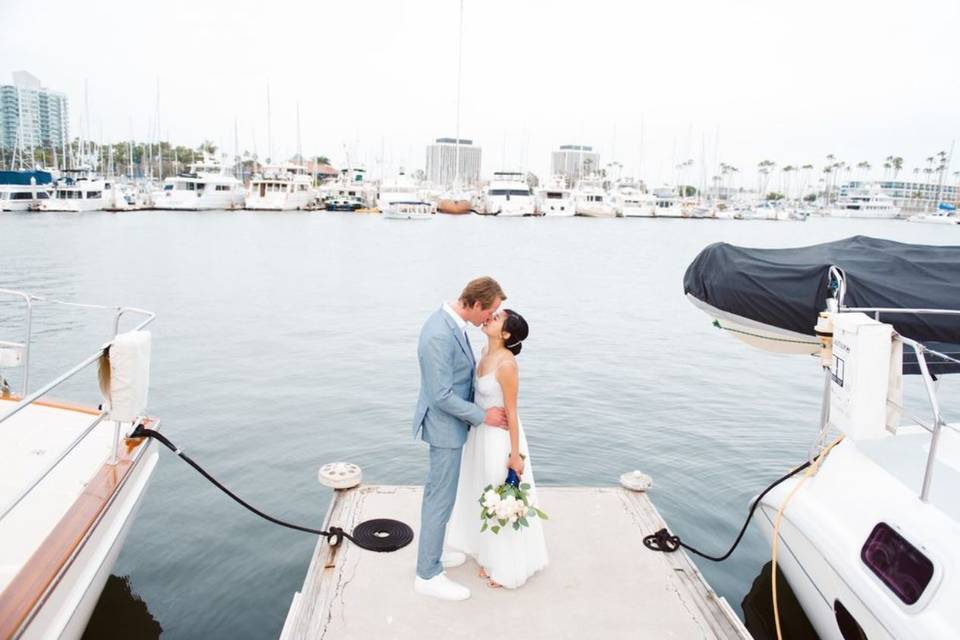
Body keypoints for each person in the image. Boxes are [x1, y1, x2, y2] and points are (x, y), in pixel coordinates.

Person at [412, 276, 509, 601]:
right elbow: (440, 395)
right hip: (443, 427)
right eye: (491, 311)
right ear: (477, 304)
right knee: (439, 499)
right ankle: (427, 575)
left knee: (443, 496)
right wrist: (483, 416)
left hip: (451, 426)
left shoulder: (453, 323)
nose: (491, 318)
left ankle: (434, 553)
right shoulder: (439, 333)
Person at [446, 309, 548, 589]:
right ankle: (488, 553)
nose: (490, 317)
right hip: (480, 434)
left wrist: (515, 456)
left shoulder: (507, 365)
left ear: (505, 334)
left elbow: (512, 413)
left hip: (499, 438)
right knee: (481, 490)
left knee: (499, 495)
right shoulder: (483, 352)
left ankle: (507, 567)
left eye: (498, 318)